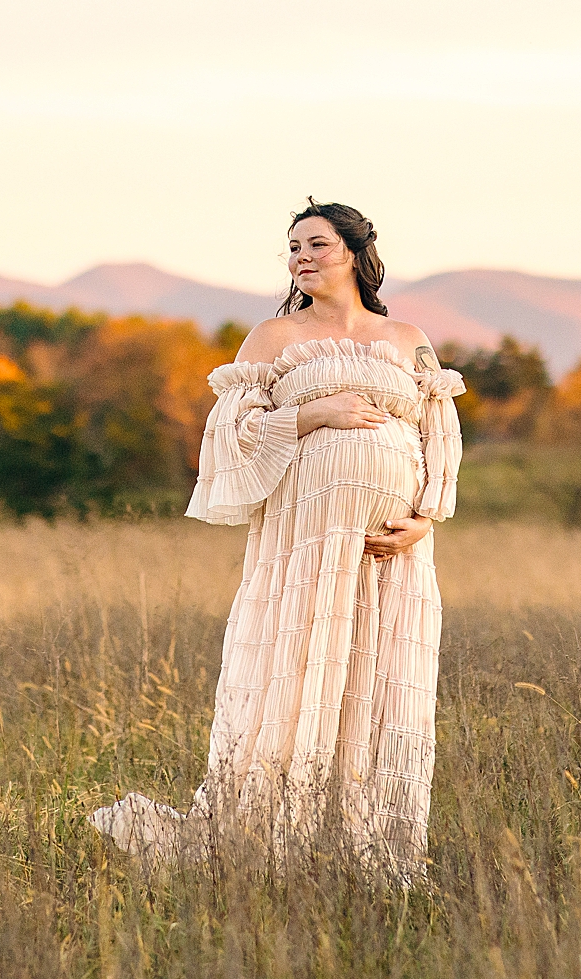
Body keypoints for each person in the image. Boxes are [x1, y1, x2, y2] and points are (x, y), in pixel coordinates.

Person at [89, 200, 465, 882]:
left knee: (373, 693)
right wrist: (315, 412)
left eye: (316, 243)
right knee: (290, 688)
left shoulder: (406, 336)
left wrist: (426, 518)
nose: (301, 256)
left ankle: (365, 855)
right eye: (293, 246)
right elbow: (229, 437)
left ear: (352, 251)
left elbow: (439, 435)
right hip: (303, 548)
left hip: (390, 561)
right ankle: (271, 852)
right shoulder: (271, 337)